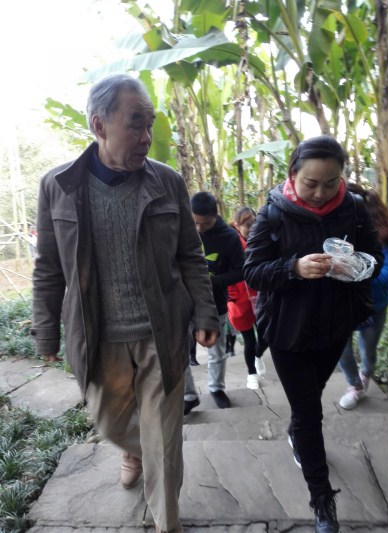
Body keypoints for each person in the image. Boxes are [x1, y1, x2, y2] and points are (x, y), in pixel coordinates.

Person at [30, 73, 219, 533]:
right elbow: (49, 267)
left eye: (149, 123)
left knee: (165, 441)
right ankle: (137, 449)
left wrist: (205, 312)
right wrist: (46, 331)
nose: (146, 136)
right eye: (136, 123)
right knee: (111, 424)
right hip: (98, 336)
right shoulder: (58, 185)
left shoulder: (167, 182)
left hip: (162, 331)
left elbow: (190, 256)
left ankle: (167, 523)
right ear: (99, 124)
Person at [244, 135, 383, 533]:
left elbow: (374, 258)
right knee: (309, 413)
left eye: (330, 182)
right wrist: (294, 268)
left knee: (310, 397)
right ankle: (322, 503)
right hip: (287, 331)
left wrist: (353, 265)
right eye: (311, 183)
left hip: (334, 326)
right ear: (293, 175)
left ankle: (295, 432)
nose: (321, 193)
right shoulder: (273, 213)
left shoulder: (353, 208)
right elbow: (252, 272)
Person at [338, 184, 388, 409]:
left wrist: (360, 274)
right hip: (340, 306)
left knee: (368, 349)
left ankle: (365, 374)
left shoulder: (382, 237)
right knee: (341, 349)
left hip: (373, 306)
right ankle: (354, 385)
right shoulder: (333, 230)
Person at [184, 192, 245, 412]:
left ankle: (216, 388)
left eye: (205, 223)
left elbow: (240, 271)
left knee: (217, 350)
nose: (199, 228)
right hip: (183, 303)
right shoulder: (183, 231)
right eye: (195, 223)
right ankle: (188, 395)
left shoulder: (229, 237)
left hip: (215, 303)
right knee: (179, 352)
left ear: (215, 215)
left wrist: (212, 283)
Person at [227, 206, 267, 389]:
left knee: (266, 334)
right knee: (249, 339)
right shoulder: (230, 243)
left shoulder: (261, 240)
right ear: (237, 225)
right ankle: (251, 374)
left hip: (260, 296)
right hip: (239, 300)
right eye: (247, 225)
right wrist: (229, 293)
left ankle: (258, 355)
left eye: (254, 223)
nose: (252, 228)